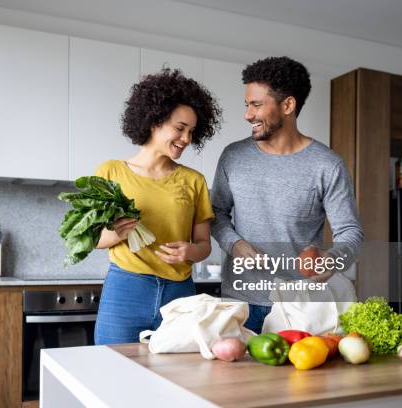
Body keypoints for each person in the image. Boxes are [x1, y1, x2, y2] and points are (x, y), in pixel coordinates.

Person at [211, 56, 364, 334]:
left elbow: (351, 233)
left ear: (287, 105)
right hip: (239, 303)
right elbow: (216, 213)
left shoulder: (327, 165)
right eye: (247, 105)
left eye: (256, 104)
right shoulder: (233, 156)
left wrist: (332, 258)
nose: (248, 114)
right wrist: (234, 244)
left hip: (298, 308)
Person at [94, 69, 222, 345]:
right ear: (154, 121)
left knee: (178, 378)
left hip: (179, 293)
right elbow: (92, 239)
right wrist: (119, 233)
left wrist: (191, 251)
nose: (186, 139)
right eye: (180, 128)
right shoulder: (111, 172)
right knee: (111, 370)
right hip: (126, 289)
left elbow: (204, 244)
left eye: (192, 131)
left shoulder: (194, 181)